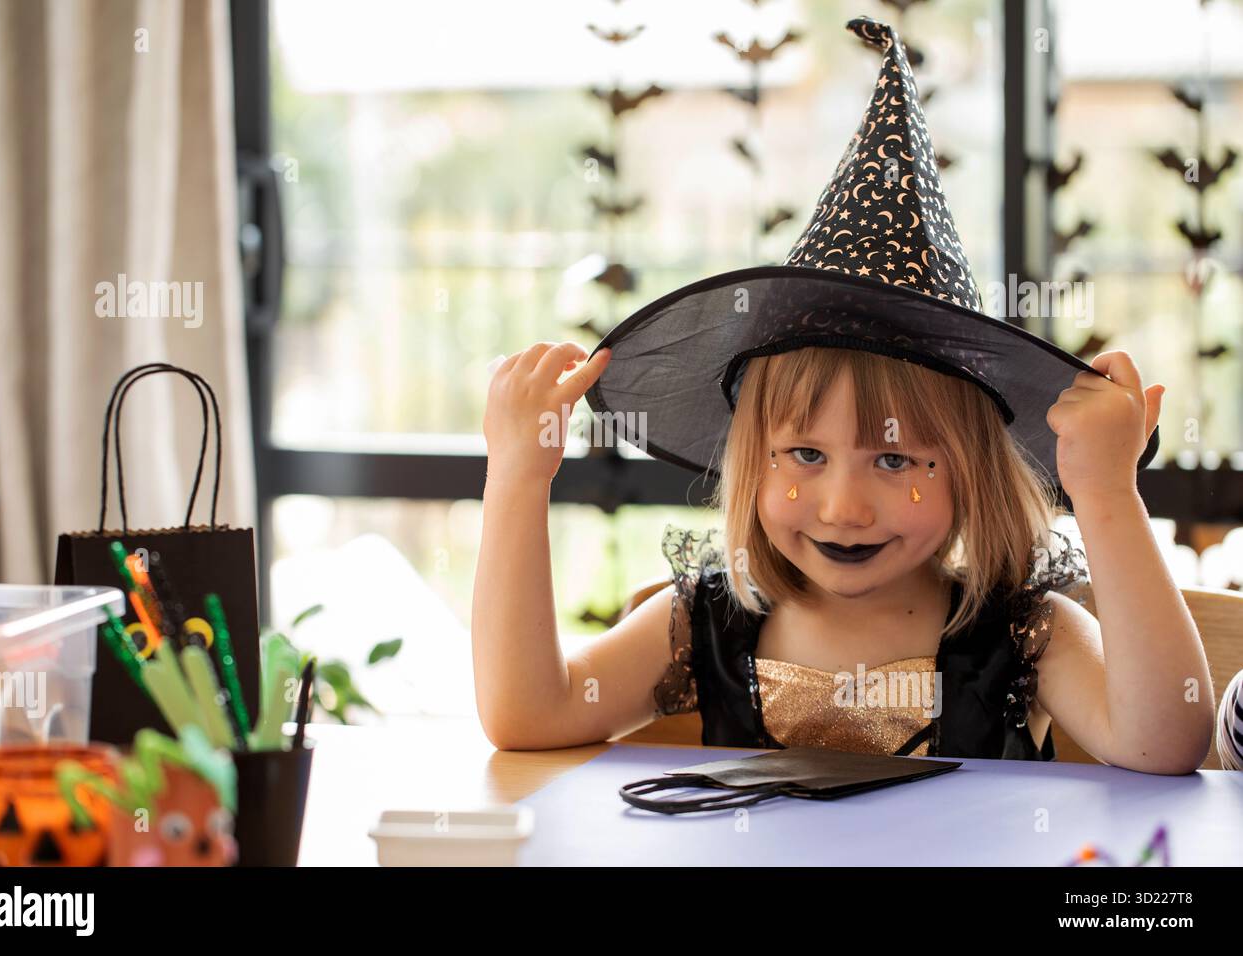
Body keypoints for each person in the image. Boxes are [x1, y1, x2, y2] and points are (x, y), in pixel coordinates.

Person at [471, 17, 1213, 774]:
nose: (842, 508)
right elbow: (529, 715)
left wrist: (1105, 492)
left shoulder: (1022, 634)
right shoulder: (708, 625)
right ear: (752, 462)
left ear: (970, 473)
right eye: (804, 453)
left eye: (894, 460)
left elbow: (1167, 742)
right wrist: (517, 479)